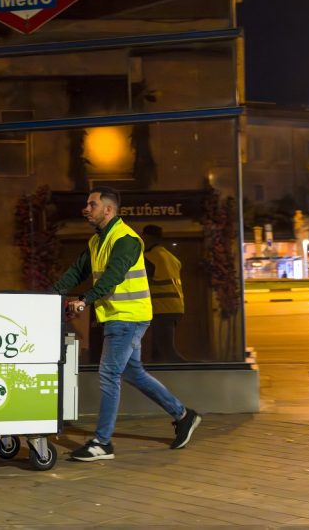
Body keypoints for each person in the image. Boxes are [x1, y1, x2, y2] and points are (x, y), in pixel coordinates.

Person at [53, 186, 201, 461]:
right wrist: (51, 294)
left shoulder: (126, 240)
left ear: (108, 210)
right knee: (132, 372)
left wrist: (85, 300)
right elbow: (77, 271)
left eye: (91, 204)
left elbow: (113, 276)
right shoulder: (97, 241)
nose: (86, 209)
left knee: (109, 374)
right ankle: (183, 415)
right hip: (116, 316)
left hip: (129, 317)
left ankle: (102, 442)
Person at [142, 224, 187, 363]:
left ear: (148, 237)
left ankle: (196, 372)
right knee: (158, 354)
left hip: (162, 309)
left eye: (143, 236)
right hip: (175, 308)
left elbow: (139, 281)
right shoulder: (171, 257)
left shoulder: (150, 257)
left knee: (167, 352)